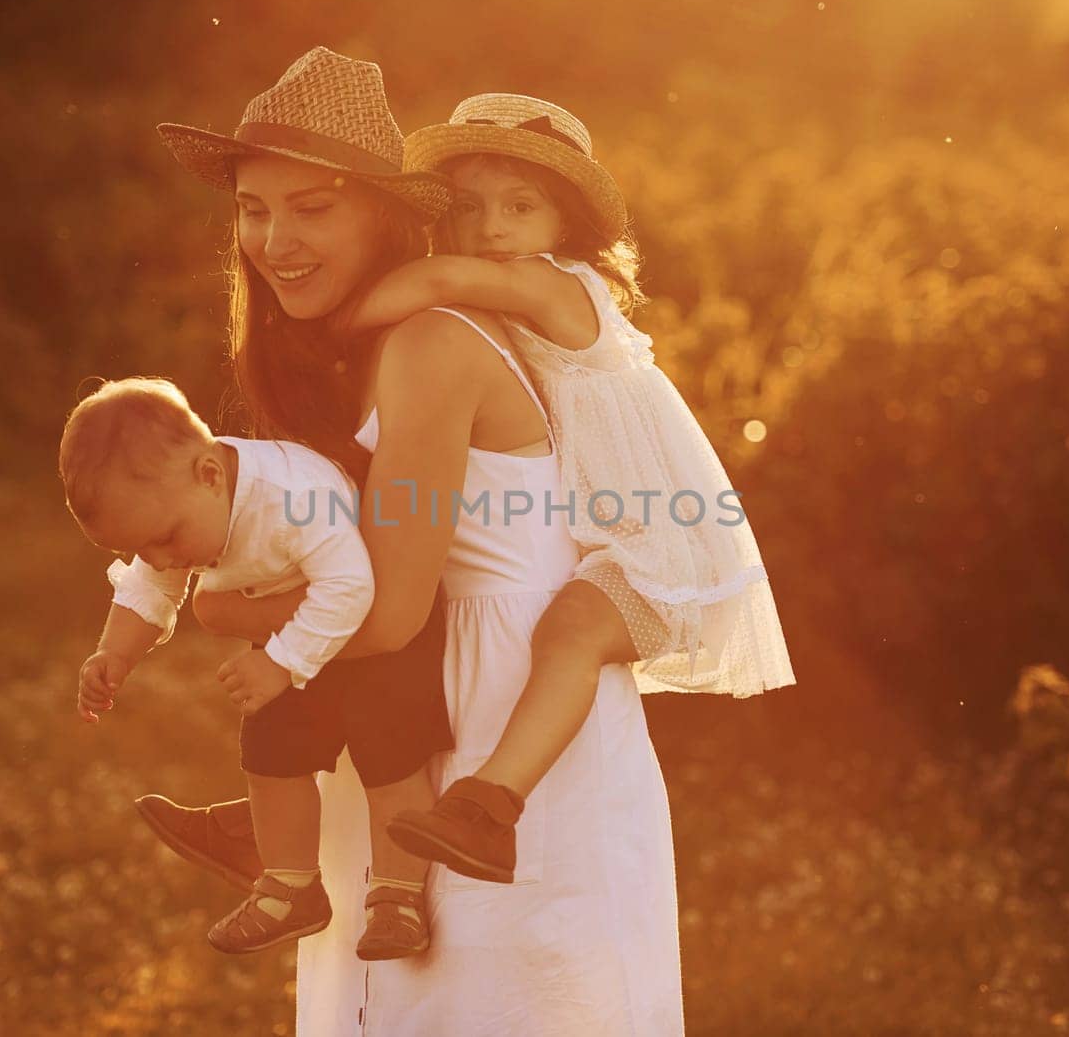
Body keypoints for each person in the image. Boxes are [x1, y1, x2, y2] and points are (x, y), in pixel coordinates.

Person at [153, 47, 685, 1033]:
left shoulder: (431, 344)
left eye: (314, 207)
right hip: (400, 731)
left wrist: (227, 606)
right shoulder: (352, 354)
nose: (276, 240)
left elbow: (387, 605)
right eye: (254, 209)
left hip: (493, 733)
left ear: (391, 214)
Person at [335, 93, 798, 883]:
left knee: (571, 634)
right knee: (555, 632)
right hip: (614, 543)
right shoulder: (502, 297)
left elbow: (438, 276)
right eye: (469, 208)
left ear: (567, 227)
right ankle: (286, 814)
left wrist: (324, 327)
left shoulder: (562, 287)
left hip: (667, 549)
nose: (492, 229)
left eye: (521, 207)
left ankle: (490, 809)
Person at [57, 376, 446, 960]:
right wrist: (114, 653)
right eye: (144, 547)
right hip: (293, 626)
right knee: (269, 751)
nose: (165, 560)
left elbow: (351, 586)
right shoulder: (179, 508)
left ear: (211, 475)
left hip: (371, 625)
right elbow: (149, 585)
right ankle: (292, 886)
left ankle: (398, 895)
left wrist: (280, 663)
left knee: (390, 751)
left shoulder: (293, 497)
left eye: (165, 540)